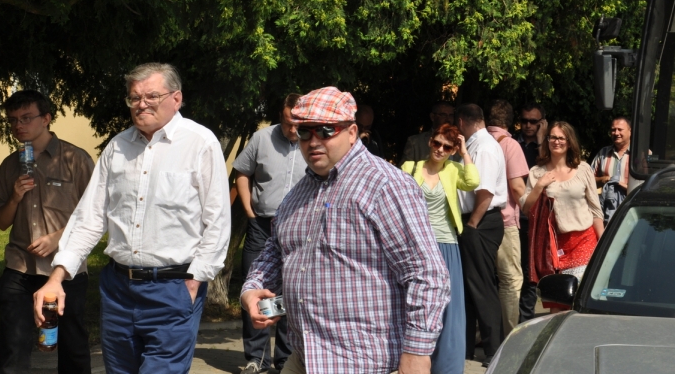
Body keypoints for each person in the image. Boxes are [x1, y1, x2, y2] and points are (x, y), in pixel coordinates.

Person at [32, 63, 231, 374]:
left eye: (152, 96)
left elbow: (217, 221)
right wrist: (56, 277)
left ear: (176, 98)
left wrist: (194, 282)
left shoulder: (200, 143)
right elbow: (89, 218)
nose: (141, 104)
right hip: (118, 292)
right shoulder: (118, 147)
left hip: (173, 289)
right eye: (134, 98)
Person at [241, 87, 450, 374]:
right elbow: (275, 253)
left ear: (352, 132)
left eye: (325, 130)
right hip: (303, 358)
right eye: (305, 132)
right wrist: (252, 288)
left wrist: (416, 352)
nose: (313, 141)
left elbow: (426, 274)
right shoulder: (297, 194)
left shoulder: (385, 186)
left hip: (364, 363)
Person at [0, 90, 95, 374]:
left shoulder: (75, 159)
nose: (18, 125)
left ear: (46, 118)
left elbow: (95, 215)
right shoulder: (10, 165)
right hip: (20, 269)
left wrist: (58, 237)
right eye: (13, 120)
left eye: (26, 118)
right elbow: (1, 222)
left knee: (73, 348)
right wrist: (14, 198)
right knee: (13, 349)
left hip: (67, 269)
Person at [234, 93, 305, 374]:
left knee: (291, 292)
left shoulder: (312, 142)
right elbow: (242, 172)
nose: (293, 129)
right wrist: (249, 212)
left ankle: (285, 358)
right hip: (262, 226)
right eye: (288, 123)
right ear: (280, 117)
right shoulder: (262, 138)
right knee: (257, 291)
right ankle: (257, 358)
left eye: (298, 123)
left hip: (297, 228)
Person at [402, 124, 479, 374]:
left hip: (446, 243)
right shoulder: (409, 168)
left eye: (447, 147)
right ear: (430, 142)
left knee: (449, 305)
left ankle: (447, 366)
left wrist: (464, 153)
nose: (440, 149)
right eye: (437, 143)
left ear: (452, 150)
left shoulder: (453, 169)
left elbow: (473, 181)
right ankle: (414, 359)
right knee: (415, 302)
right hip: (416, 244)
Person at [520, 121, 604, 311]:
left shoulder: (583, 169)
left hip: (584, 241)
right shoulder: (537, 172)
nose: (556, 141)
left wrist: (603, 243)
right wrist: (540, 185)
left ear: (569, 141)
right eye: (552, 137)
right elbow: (526, 209)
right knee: (557, 304)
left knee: (581, 299)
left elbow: (595, 210)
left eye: (561, 138)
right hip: (553, 246)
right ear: (547, 140)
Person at [455, 103, 507, 365]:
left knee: (482, 286)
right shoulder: (475, 144)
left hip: (481, 220)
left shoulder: (484, 147)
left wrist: (472, 225)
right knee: (470, 287)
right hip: (475, 220)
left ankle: (493, 349)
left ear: (462, 122)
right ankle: (465, 347)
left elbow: (485, 192)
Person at [486, 100, 528, 337]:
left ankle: (486, 335)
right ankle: (509, 335)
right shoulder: (509, 144)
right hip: (504, 221)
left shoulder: (476, 141)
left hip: (477, 221)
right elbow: (517, 188)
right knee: (511, 280)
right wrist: (532, 209)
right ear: (510, 121)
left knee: (486, 281)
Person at [515, 102, 546, 323]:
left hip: (536, 216)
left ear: (541, 123)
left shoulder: (546, 145)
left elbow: (548, 167)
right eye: (524, 120)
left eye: (533, 122)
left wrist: (542, 140)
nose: (528, 125)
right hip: (513, 215)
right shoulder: (511, 143)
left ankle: (525, 320)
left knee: (530, 273)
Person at [589, 117, 632, 223]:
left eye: (620, 129)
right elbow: (588, 179)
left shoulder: (641, 154)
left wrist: (622, 185)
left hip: (631, 210)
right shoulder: (603, 153)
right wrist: (603, 179)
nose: (616, 133)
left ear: (630, 131)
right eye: (613, 130)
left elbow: (650, 184)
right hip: (605, 212)